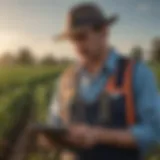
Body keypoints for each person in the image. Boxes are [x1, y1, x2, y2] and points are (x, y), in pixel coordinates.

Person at [41, 2, 160, 160]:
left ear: (104, 31)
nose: (77, 46)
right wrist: (52, 138)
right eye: (72, 39)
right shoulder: (65, 80)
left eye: (82, 37)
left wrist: (99, 135)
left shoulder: (137, 74)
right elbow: (54, 123)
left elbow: (154, 132)